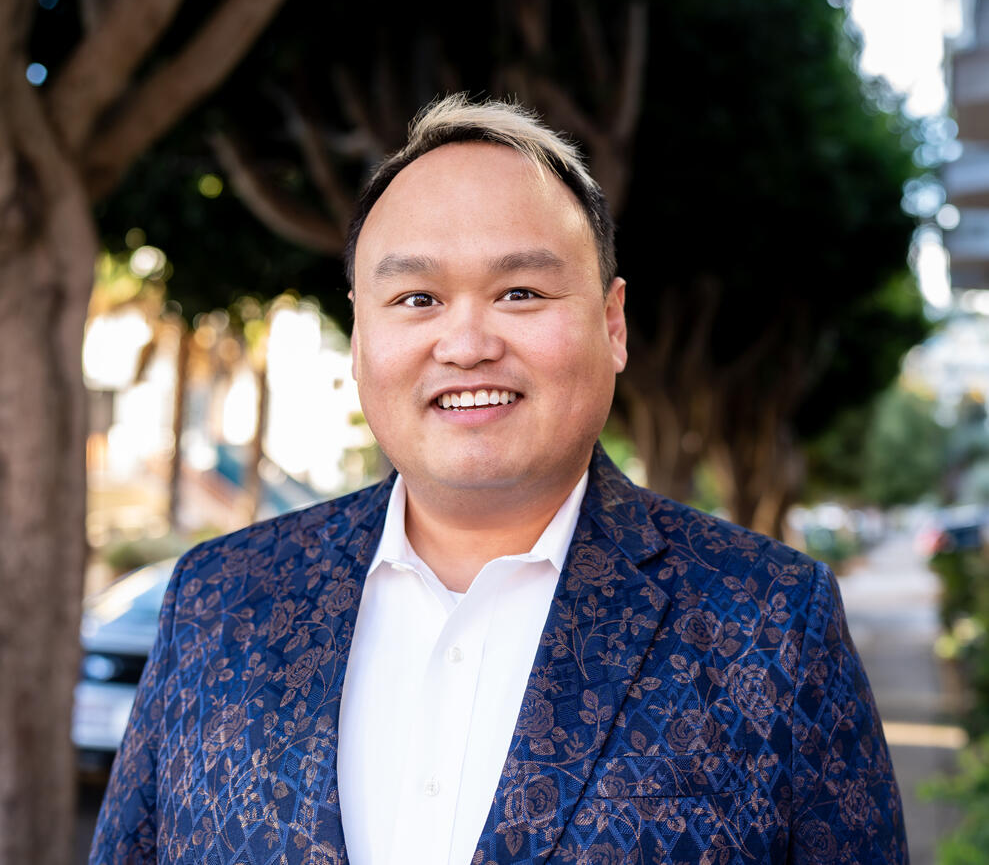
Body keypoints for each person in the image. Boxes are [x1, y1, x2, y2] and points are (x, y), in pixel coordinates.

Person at [90, 94, 908, 865]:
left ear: (612, 324)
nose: (467, 342)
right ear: (359, 334)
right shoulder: (218, 603)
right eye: (416, 298)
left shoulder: (769, 623)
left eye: (520, 292)